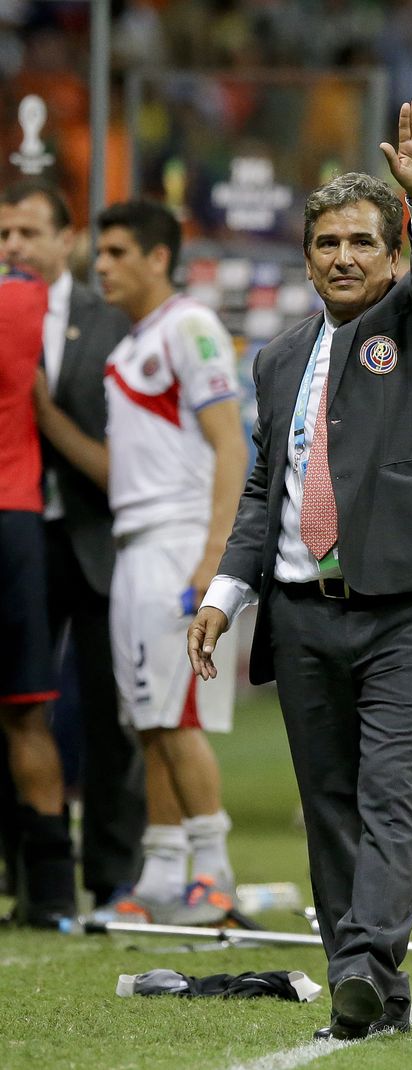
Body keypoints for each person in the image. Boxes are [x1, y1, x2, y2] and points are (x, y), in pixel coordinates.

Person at [188, 97, 412, 1041]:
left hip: (410, 611)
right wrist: (223, 592)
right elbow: (263, 493)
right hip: (301, 610)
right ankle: (371, 995)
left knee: (390, 797)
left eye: (364, 241)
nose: (344, 257)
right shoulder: (278, 358)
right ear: (308, 256)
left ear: (392, 253)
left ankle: (362, 962)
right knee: (328, 812)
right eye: (327, 243)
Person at [51, 200, 249, 924]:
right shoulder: (128, 347)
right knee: (150, 718)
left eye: (117, 252)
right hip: (133, 541)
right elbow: (116, 469)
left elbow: (231, 444)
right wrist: (49, 419)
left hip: (177, 538)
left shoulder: (189, 328)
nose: (101, 266)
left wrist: (212, 556)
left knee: (179, 712)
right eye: (98, 254)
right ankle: (165, 871)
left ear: (158, 258)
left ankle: (216, 874)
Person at [0, 178, 146, 910]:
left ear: (68, 241)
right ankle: (25, 873)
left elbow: (129, 446)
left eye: (29, 232)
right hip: (18, 534)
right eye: (4, 236)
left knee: (109, 710)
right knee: (17, 706)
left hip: (91, 534)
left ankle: (112, 876)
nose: (16, 246)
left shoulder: (111, 320)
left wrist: (45, 415)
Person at [0, 261, 75, 927]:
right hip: (15, 521)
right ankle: (52, 894)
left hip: (14, 515)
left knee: (24, 713)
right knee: (26, 711)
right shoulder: (23, 299)